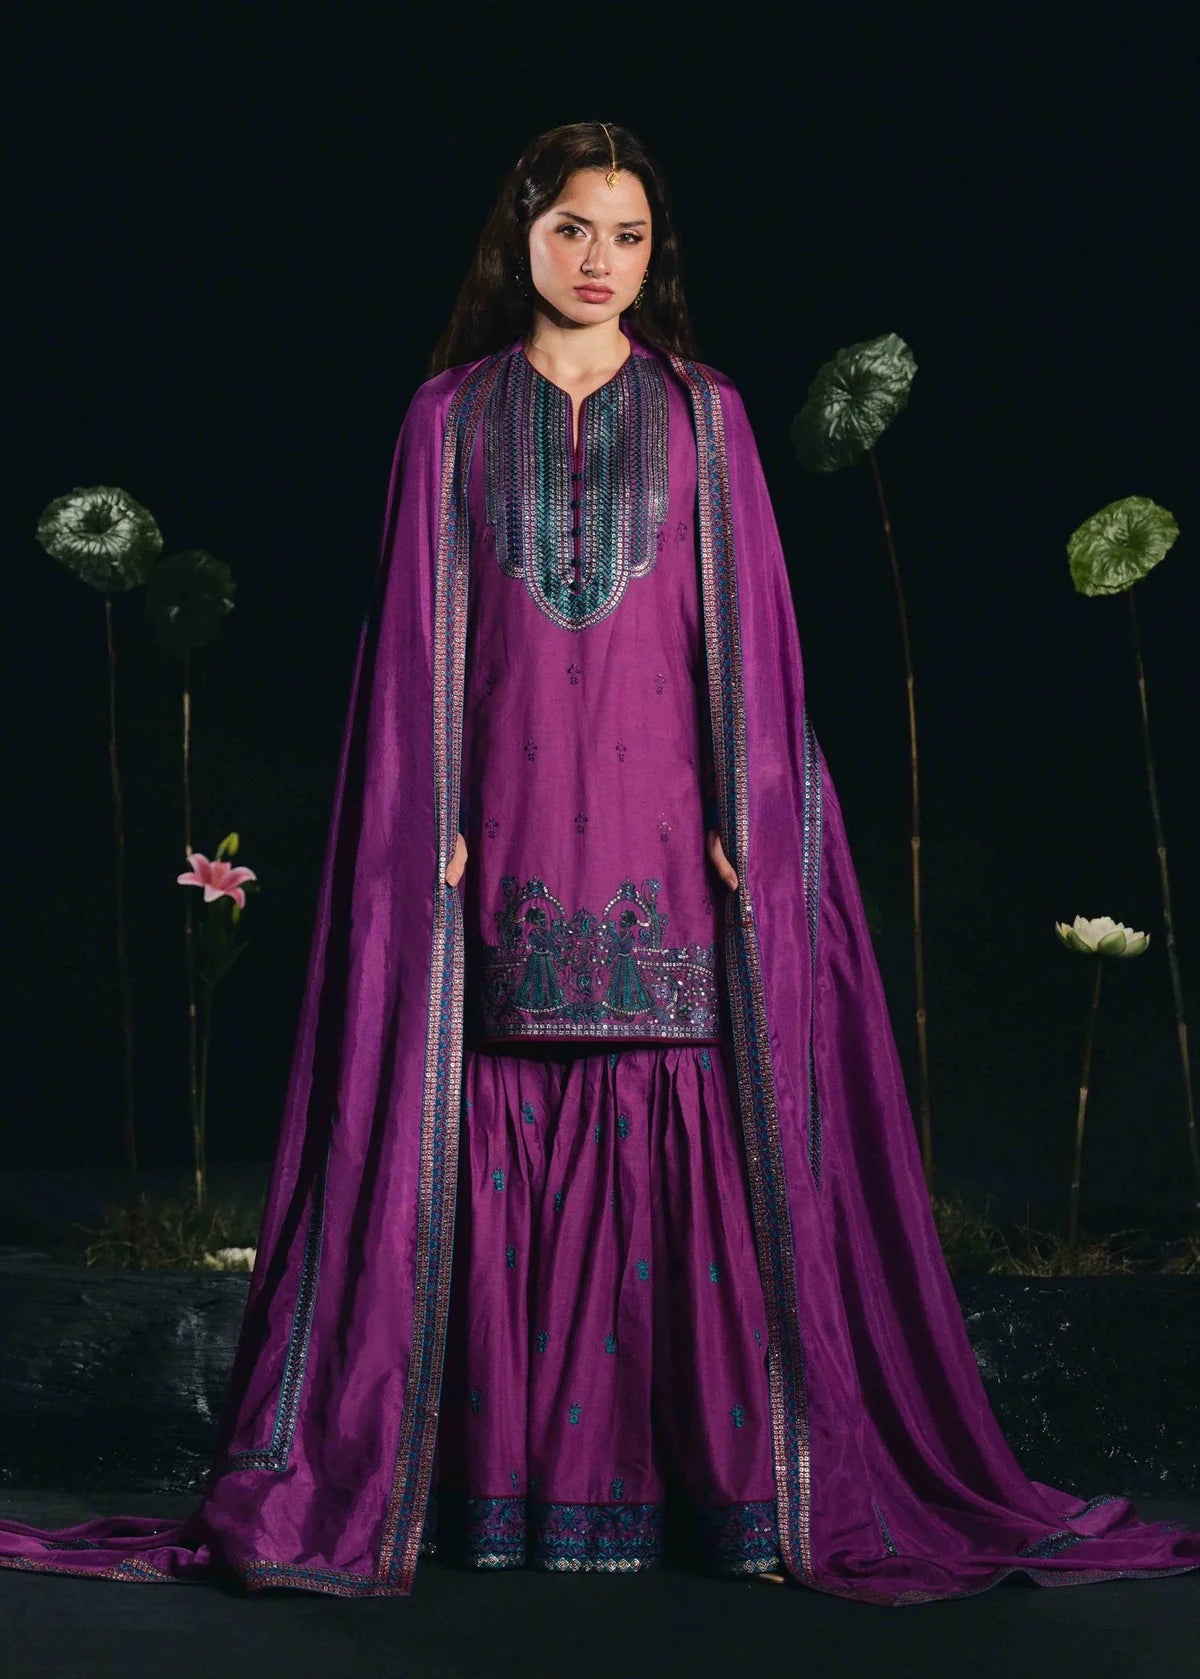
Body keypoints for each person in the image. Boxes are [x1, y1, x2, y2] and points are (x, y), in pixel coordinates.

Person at [1, 120, 1197, 1605]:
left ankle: (720, 1499)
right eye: (573, 229)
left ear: (654, 255)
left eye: (628, 237)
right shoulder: (447, 417)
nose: (598, 261)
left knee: (677, 1094)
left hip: (663, 827)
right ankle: (481, 1498)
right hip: (499, 822)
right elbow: (418, 630)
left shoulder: (708, 415)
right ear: (523, 234)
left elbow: (748, 628)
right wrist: (427, 810)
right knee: (488, 1099)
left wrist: (747, 808)